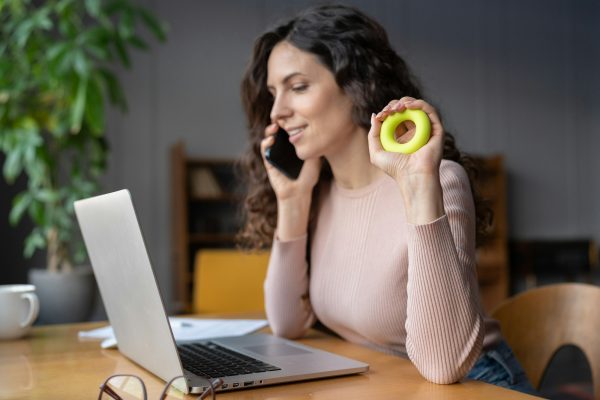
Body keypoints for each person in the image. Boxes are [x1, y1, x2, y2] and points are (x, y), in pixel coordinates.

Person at [237, 4, 536, 394]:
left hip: (475, 387)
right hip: (390, 382)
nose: (278, 111)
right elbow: (287, 324)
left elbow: (445, 364)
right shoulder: (320, 191)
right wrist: (292, 200)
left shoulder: (437, 180)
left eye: (298, 87)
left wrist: (417, 188)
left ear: (356, 83)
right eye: (274, 94)